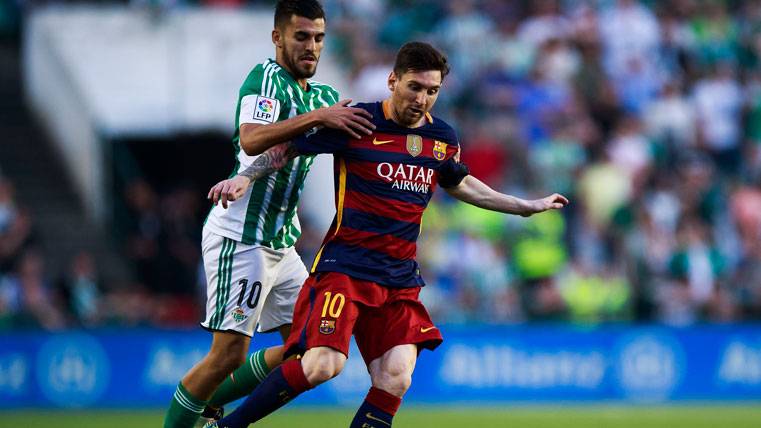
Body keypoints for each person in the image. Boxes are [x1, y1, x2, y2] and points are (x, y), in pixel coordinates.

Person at [205, 41, 568, 428]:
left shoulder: (442, 138)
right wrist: (244, 176)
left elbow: (460, 184)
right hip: (345, 268)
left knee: (397, 376)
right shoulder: (357, 121)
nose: (422, 99)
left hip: (398, 278)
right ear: (393, 80)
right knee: (323, 365)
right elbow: (287, 150)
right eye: (415, 87)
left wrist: (524, 206)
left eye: (432, 91)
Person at [162, 1, 376, 427]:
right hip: (240, 236)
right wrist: (317, 118)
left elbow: (294, 151)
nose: (311, 47)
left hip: (283, 244)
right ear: (277, 37)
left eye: (318, 38)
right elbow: (253, 138)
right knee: (229, 353)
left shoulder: (325, 96)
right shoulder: (266, 79)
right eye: (301, 37)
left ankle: (209, 412)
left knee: (307, 346)